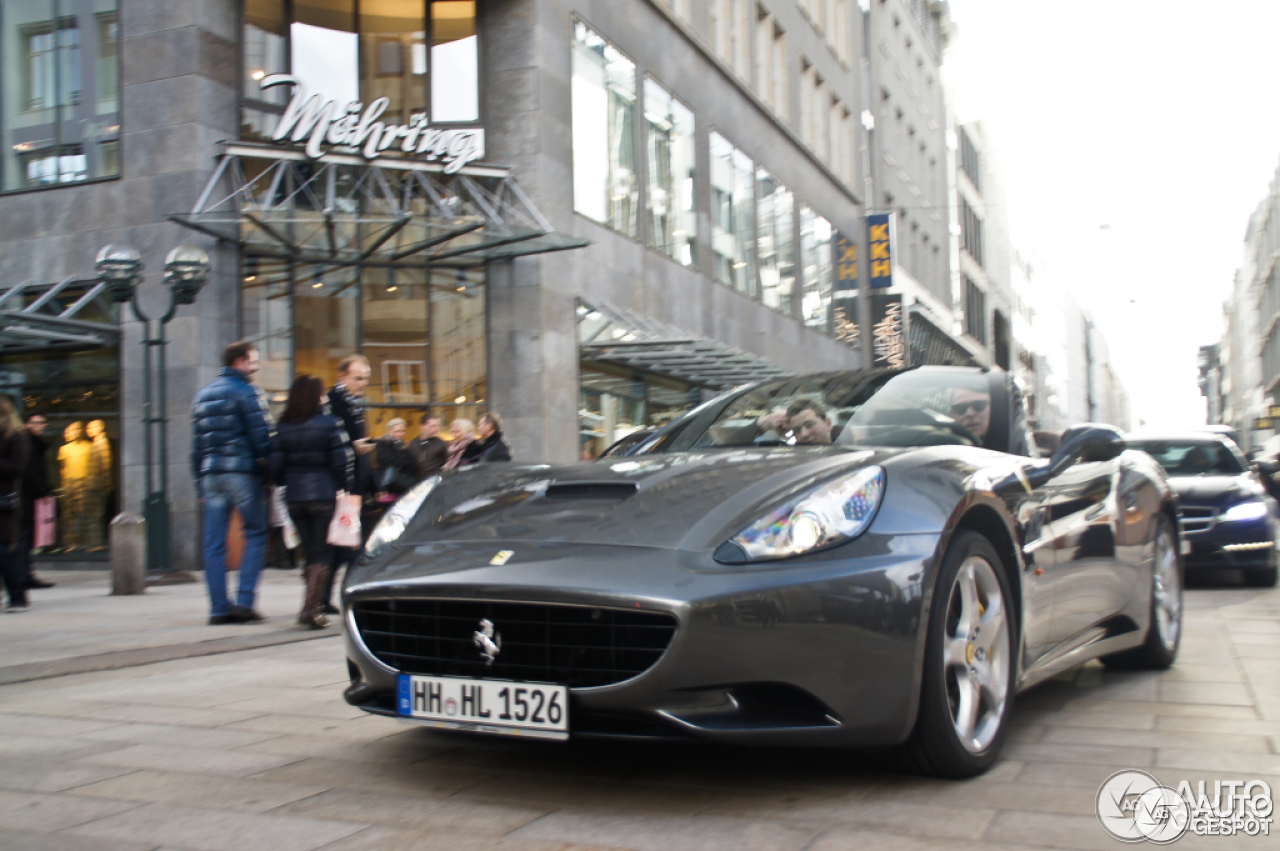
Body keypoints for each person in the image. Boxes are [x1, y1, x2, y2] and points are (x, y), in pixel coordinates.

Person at [190, 341, 274, 625]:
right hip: (242, 473)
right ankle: (244, 602)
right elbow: (261, 439)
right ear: (239, 361)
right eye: (253, 361)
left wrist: (199, 483)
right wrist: (269, 470)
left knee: (213, 543)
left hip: (211, 473)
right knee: (256, 534)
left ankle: (218, 608)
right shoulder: (247, 392)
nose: (256, 366)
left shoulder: (202, 395)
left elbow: (195, 447)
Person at [269, 375, 353, 629]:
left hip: (295, 496)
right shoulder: (330, 424)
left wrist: (288, 479)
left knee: (308, 551)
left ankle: (311, 605)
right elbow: (341, 462)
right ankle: (310, 609)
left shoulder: (282, 426)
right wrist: (342, 486)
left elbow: (274, 467)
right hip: (323, 494)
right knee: (322, 553)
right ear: (316, 396)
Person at [324, 354, 374, 615]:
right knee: (343, 543)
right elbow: (332, 441)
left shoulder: (354, 403)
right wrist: (353, 447)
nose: (362, 383)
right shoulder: (333, 402)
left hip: (355, 483)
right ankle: (331, 596)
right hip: (343, 484)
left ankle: (336, 595)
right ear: (342, 375)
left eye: (365, 378)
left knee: (350, 542)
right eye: (358, 377)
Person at [0, 397, 30, 612]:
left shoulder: (15, 435)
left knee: (3, 552)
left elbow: (16, 468)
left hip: (3, 501)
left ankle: (18, 597)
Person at [19, 413, 55, 590]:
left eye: (42, 422)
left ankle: (25, 575)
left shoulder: (35, 443)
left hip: (28, 497)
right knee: (24, 537)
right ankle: (24, 576)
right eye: (36, 422)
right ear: (27, 424)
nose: (40, 425)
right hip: (24, 497)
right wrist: (43, 491)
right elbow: (30, 471)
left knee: (26, 538)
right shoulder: (28, 443)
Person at [374, 418, 419, 503]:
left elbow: (414, 466)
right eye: (397, 431)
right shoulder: (383, 444)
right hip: (390, 486)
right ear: (389, 432)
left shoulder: (402, 446)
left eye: (403, 431)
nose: (400, 434)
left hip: (404, 484)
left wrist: (402, 450)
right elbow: (390, 462)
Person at [409, 413, 449, 479]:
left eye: (437, 426)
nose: (436, 429)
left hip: (434, 481)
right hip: (416, 481)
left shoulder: (440, 444)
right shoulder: (413, 443)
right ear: (422, 427)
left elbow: (446, 463)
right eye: (432, 426)